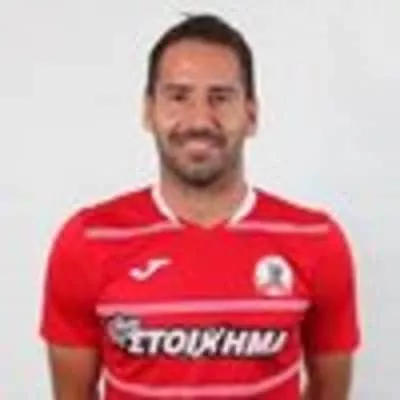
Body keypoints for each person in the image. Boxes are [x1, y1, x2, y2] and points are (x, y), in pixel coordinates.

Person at [40, 13, 360, 400]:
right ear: (148, 111)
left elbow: (330, 391)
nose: (199, 120)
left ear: (252, 114)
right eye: (178, 96)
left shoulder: (316, 240)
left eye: (220, 98)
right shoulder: (88, 240)